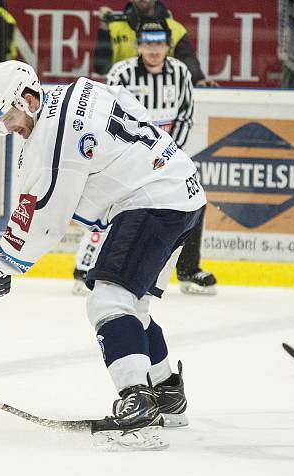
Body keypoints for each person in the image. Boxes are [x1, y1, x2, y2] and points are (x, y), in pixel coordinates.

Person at [0, 60, 205, 449]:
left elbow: (44, 219)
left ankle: (138, 407)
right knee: (135, 308)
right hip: (183, 190)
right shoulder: (78, 91)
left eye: (8, 115)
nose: (8, 128)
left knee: (107, 301)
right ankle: (167, 394)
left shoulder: (51, 136)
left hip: (152, 199)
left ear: (28, 98)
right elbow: (133, 110)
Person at [73, 20, 216, 296]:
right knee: (112, 206)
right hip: (127, 157)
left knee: (192, 195)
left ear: (168, 46)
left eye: (159, 43)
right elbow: (109, 118)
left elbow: (186, 115)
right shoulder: (121, 73)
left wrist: (168, 153)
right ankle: (85, 265)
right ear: (138, 45)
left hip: (167, 156)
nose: (154, 50)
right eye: (148, 43)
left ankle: (187, 269)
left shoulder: (181, 73)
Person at [94, 0, 218, 87]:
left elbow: (188, 60)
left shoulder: (175, 29)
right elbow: (101, 68)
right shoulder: (113, 27)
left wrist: (199, 80)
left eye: (158, 43)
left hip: (164, 97)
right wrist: (104, 28)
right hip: (122, 97)